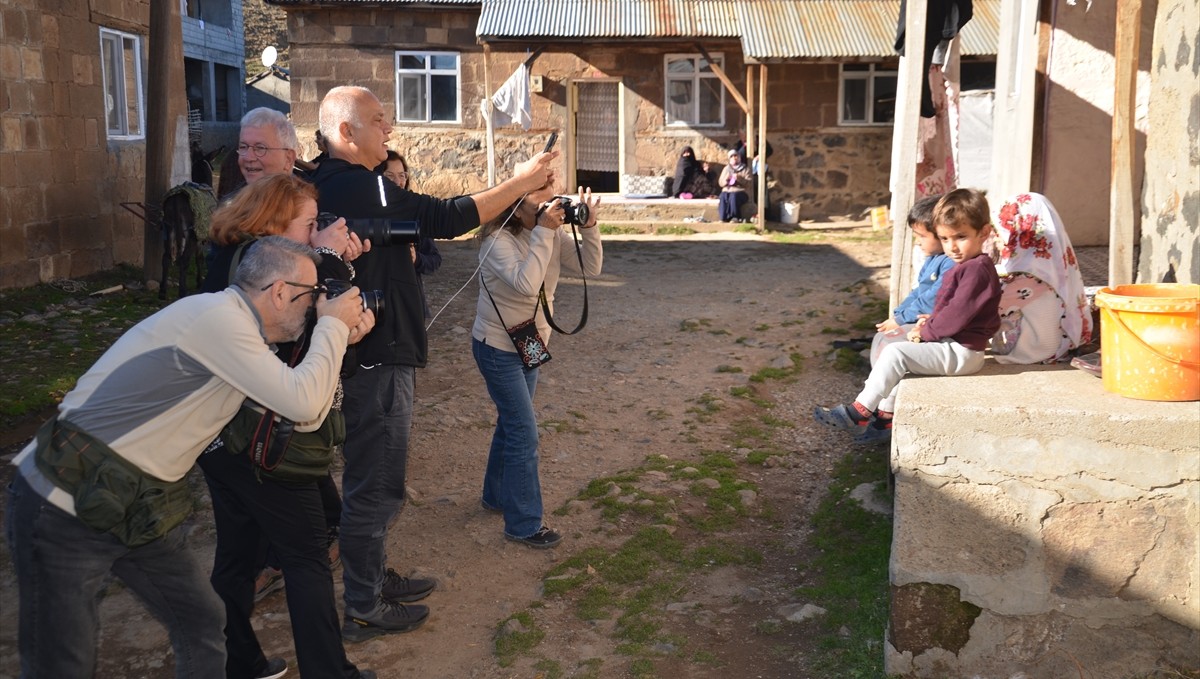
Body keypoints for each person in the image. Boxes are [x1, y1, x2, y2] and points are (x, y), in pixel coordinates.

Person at [5, 236, 370, 678]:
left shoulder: (237, 330)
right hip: (65, 502)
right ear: (279, 292)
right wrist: (331, 329)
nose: (315, 307)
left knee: (203, 621)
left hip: (137, 504)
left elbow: (304, 416)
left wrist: (338, 340)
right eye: (311, 297)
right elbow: (303, 403)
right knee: (61, 664)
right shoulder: (217, 322)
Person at [308, 85, 557, 643]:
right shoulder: (359, 182)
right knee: (376, 484)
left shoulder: (332, 184)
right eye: (378, 120)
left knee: (375, 480)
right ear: (346, 132)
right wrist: (521, 183)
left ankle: (370, 580)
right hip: (378, 358)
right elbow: (447, 217)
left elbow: (417, 231)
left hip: (372, 352)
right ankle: (365, 604)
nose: (389, 129)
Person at [197, 175, 374, 679]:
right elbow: (288, 348)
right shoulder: (267, 271)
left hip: (222, 437)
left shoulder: (233, 258)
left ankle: (241, 661)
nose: (317, 231)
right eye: (309, 224)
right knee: (306, 558)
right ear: (275, 223)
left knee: (237, 556)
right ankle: (328, 671)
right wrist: (327, 266)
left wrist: (336, 302)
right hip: (264, 439)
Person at [813, 188, 1001, 445]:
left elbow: (957, 315)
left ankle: (859, 412)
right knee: (900, 360)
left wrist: (925, 331)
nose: (952, 246)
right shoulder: (968, 265)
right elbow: (955, 309)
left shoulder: (976, 270)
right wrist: (930, 320)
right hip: (956, 345)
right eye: (945, 239)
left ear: (984, 232)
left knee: (896, 354)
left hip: (963, 352)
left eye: (961, 237)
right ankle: (885, 420)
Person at [473, 187, 603, 548]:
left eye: (553, 197)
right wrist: (546, 231)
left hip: (530, 342)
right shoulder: (496, 243)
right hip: (497, 348)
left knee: (512, 425)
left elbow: (590, 267)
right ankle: (524, 524)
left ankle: (496, 496)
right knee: (524, 433)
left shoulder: (547, 233)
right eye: (540, 201)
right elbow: (528, 285)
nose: (551, 206)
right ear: (515, 209)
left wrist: (589, 227)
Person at [990, 192, 1092, 364]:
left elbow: (995, 305)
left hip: (1037, 348)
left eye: (999, 233)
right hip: (1058, 339)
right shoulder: (1050, 263)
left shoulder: (1030, 272)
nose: (996, 240)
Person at [871, 195, 953, 363]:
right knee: (881, 339)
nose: (917, 241)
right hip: (918, 319)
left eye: (922, 236)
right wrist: (898, 314)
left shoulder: (951, 264)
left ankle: (886, 386)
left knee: (889, 344)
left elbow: (933, 298)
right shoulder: (933, 259)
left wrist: (901, 320)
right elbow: (918, 291)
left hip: (936, 327)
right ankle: (879, 382)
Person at [377, 149, 443, 319]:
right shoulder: (369, 212)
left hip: (411, 303)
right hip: (378, 303)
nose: (398, 182)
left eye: (402, 175)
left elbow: (434, 259)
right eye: (389, 175)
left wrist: (416, 259)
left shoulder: (414, 212)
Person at [718, 149, 752, 222]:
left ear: (739, 157)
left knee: (734, 196)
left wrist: (740, 178)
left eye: (736, 156)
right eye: (732, 156)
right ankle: (723, 217)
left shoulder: (745, 169)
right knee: (723, 195)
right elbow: (720, 182)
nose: (734, 158)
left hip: (741, 192)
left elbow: (749, 183)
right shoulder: (726, 169)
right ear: (729, 159)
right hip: (727, 190)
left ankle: (735, 217)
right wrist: (726, 180)